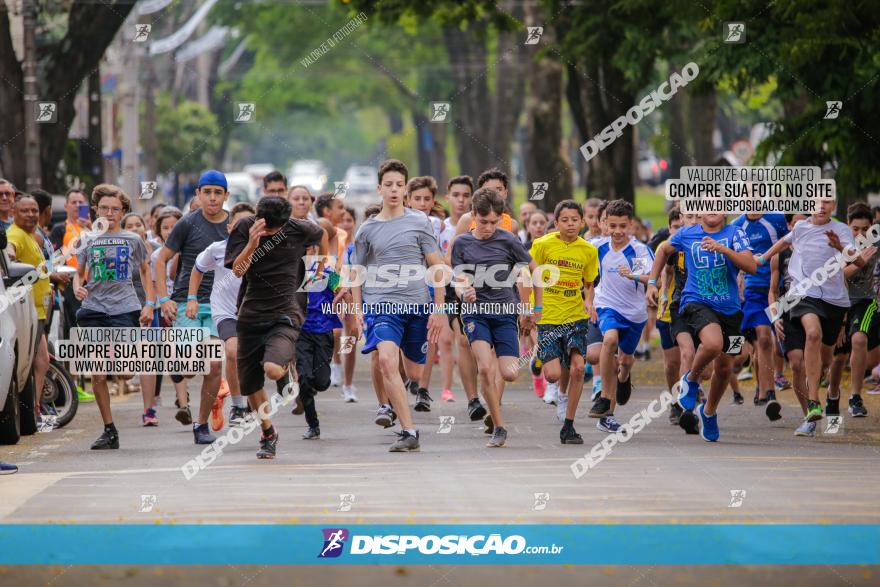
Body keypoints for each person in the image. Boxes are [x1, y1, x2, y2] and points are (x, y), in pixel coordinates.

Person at [343, 159, 446, 452]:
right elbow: (356, 273)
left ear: (405, 188)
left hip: (417, 306)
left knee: (414, 373)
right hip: (381, 305)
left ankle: (399, 385)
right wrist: (359, 310)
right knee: (387, 359)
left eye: (399, 185)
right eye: (388, 185)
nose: (393, 190)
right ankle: (408, 430)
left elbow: (436, 266)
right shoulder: (367, 230)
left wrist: (439, 309)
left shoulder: (419, 222)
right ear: (379, 188)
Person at [225, 196, 326, 459]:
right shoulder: (243, 227)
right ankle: (268, 432)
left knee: (271, 369)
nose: (269, 231)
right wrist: (252, 242)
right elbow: (237, 271)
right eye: (265, 226)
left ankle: (285, 370)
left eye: (274, 229)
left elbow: (323, 233)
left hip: (285, 312)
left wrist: (321, 269)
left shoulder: (299, 228)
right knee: (250, 386)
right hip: (250, 315)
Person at [648, 213, 756, 442]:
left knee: (726, 367)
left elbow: (751, 266)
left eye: (717, 205)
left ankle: (708, 413)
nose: (712, 209)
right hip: (696, 301)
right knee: (713, 343)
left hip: (731, 309)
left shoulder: (735, 234)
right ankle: (691, 380)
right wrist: (651, 282)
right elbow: (663, 251)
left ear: (725, 211)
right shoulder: (687, 233)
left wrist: (723, 249)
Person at [452, 187, 541, 447]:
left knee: (509, 372)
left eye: (494, 222)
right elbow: (457, 280)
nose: (489, 227)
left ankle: (494, 408)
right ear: (473, 216)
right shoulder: (462, 243)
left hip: (504, 312)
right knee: (486, 367)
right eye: (483, 222)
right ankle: (499, 427)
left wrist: (535, 309)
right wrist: (463, 292)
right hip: (475, 313)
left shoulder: (508, 240)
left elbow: (534, 272)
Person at [760, 199, 860, 424]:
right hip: (797, 299)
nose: (822, 206)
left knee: (825, 359)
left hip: (832, 302)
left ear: (834, 205)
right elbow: (773, 291)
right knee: (799, 357)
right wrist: (775, 315)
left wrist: (839, 247)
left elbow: (855, 261)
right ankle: (810, 408)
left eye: (827, 202)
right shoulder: (789, 244)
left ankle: (820, 388)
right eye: (817, 202)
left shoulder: (839, 231)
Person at [74, 184, 155, 449]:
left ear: (123, 211)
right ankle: (109, 429)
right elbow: (79, 272)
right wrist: (77, 286)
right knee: (97, 374)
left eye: (116, 209)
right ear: (96, 209)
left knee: (124, 371)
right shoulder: (87, 239)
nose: (110, 213)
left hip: (125, 307)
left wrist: (149, 303)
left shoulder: (133, 240)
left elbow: (145, 271)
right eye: (105, 208)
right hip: (94, 308)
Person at [155, 170, 229, 445]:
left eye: (217, 192)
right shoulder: (186, 223)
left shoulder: (234, 225)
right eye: (206, 191)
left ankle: (201, 424)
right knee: (189, 365)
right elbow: (161, 260)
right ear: (197, 194)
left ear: (225, 196)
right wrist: (164, 299)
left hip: (219, 305)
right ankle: (177, 359)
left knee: (213, 365)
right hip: (187, 302)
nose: (212, 197)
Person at [530, 200, 597, 443]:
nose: (570, 224)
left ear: (583, 222)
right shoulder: (542, 245)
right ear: (556, 223)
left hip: (575, 316)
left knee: (578, 367)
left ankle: (568, 426)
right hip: (547, 316)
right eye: (565, 220)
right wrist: (530, 309)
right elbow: (529, 276)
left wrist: (589, 301)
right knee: (553, 375)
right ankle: (543, 363)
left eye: (575, 220)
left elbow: (589, 283)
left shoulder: (589, 250)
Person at [187, 202, 255, 431]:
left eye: (250, 225)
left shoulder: (266, 249)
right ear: (229, 228)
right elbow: (197, 269)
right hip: (226, 311)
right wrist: (192, 298)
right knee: (233, 352)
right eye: (239, 225)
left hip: (255, 312)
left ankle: (255, 404)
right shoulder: (217, 249)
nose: (245, 230)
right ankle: (238, 406)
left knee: (257, 362)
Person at [587, 200, 654, 433]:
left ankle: (624, 376)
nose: (617, 231)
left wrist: (635, 276)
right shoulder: (598, 246)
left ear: (631, 226)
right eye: (612, 225)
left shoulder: (638, 250)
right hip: (607, 305)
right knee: (609, 341)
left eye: (622, 226)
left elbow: (652, 278)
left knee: (625, 360)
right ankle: (605, 400)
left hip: (634, 314)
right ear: (605, 224)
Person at [731, 211, 789, 417]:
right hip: (752, 292)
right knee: (763, 339)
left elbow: (790, 242)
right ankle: (768, 391)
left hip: (778, 290)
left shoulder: (777, 220)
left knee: (773, 345)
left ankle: (764, 388)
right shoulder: (736, 226)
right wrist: (738, 277)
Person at [407, 176, 455, 405]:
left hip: (431, 282)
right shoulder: (399, 221)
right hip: (404, 284)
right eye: (417, 199)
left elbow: (441, 256)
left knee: (431, 335)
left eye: (427, 199)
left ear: (433, 200)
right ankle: (408, 377)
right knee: (404, 338)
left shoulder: (437, 225)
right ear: (408, 200)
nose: (422, 203)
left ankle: (422, 389)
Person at [5, 194, 52, 428]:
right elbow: (10, 254)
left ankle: (34, 412)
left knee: (41, 360)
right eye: (25, 211)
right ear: (14, 212)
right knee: (38, 361)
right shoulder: (15, 235)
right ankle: (32, 412)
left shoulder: (32, 235)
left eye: (34, 210)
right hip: (24, 310)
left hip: (38, 310)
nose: (31, 215)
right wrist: (10, 260)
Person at [769, 214, 813, 435]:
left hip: (817, 307)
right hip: (788, 308)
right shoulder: (780, 254)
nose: (800, 227)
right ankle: (809, 416)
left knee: (821, 365)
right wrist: (775, 317)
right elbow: (773, 291)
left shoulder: (818, 248)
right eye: (795, 223)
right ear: (788, 226)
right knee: (796, 364)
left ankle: (828, 404)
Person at [835, 203, 876, 418]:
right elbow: (838, 276)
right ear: (848, 226)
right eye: (855, 229)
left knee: (859, 340)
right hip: (836, 302)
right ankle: (832, 398)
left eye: (865, 229)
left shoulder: (875, 245)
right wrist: (860, 262)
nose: (860, 233)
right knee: (836, 358)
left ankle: (855, 397)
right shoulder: (838, 244)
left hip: (864, 302)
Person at [121, 212, 159, 421]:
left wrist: (152, 304)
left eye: (138, 225)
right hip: (122, 307)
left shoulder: (154, 249)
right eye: (130, 225)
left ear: (145, 228)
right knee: (126, 372)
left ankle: (149, 409)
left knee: (147, 357)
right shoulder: (118, 248)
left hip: (146, 305)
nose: (135, 228)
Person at [656, 208, 684, 421]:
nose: (678, 231)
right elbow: (657, 277)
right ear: (669, 228)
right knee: (673, 363)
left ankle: (690, 387)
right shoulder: (664, 248)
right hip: (667, 312)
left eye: (682, 227)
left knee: (705, 369)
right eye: (675, 227)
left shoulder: (697, 242)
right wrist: (659, 290)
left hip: (692, 308)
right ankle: (676, 401)